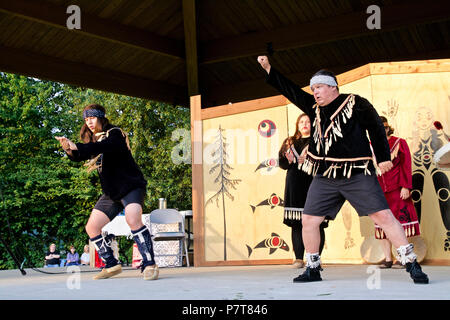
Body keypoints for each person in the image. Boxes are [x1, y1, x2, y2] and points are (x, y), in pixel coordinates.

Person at [257, 55, 429, 284]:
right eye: (312, 88)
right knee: (309, 220)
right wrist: (269, 69)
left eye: (318, 87)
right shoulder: (313, 107)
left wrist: (383, 157)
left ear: (332, 87)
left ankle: (411, 263)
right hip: (325, 176)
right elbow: (291, 90)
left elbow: (376, 127)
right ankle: (313, 267)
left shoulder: (356, 102)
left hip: (356, 173)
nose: (314, 92)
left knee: (384, 216)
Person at [55, 104, 158, 280]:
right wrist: (68, 149)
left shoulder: (115, 133)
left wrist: (78, 146)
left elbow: (100, 148)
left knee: (132, 218)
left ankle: (150, 264)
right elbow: (81, 156)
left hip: (130, 185)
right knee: (92, 227)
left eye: (92, 118)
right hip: (112, 192)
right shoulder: (94, 139)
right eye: (86, 120)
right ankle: (111, 264)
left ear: (101, 117)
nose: (89, 123)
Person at [278, 113, 327, 268]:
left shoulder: (319, 141)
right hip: (295, 184)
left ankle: (315, 259)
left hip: (314, 183)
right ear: (297, 125)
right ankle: (298, 258)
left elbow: (326, 161)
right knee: (297, 223)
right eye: (301, 122)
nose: (304, 124)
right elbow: (282, 163)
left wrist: (309, 160)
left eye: (307, 121)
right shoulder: (290, 142)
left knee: (316, 222)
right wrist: (289, 160)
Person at [376, 116, 421, 268]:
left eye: (383, 127)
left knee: (400, 223)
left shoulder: (399, 143)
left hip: (397, 188)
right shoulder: (369, 146)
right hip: (379, 191)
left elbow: (406, 165)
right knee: (381, 224)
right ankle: (388, 259)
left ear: (388, 128)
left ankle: (403, 258)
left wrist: (406, 186)